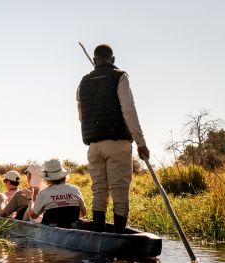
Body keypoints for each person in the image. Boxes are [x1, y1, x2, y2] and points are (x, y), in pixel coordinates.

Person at [76, 44, 150, 233]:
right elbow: (128, 110)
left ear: (94, 61)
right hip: (118, 144)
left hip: (93, 146)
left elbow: (81, 116)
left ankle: (99, 238)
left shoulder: (83, 82)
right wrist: (141, 143)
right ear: (113, 60)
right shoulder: (120, 76)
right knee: (119, 192)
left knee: (99, 192)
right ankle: (118, 240)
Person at [26, 158, 87, 228]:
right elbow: (84, 212)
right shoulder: (75, 189)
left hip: (50, 233)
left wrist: (29, 198)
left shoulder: (43, 193)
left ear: (46, 177)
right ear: (63, 175)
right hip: (73, 230)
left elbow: (33, 216)